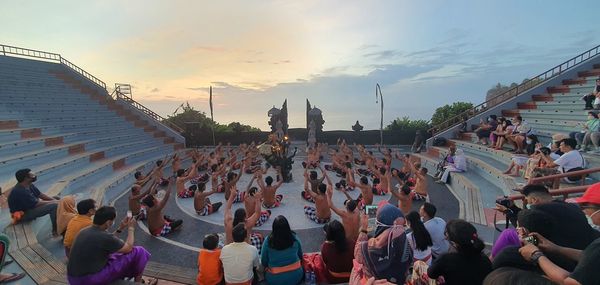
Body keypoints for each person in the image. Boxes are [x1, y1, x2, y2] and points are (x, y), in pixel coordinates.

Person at [66, 206, 152, 285]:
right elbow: (129, 248)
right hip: (90, 280)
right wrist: (131, 228)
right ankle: (138, 281)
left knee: (115, 254)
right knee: (139, 251)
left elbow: (109, 242)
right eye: (113, 220)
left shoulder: (84, 231)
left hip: (73, 279)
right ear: (107, 222)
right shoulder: (103, 236)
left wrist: (120, 228)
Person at [349, 204, 412, 284]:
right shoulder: (406, 243)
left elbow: (358, 254)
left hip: (376, 281)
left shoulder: (365, 248)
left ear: (379, 224)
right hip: (400, 280)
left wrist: (363, 229)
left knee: (356, 268)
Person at [428, 219, 492, 285]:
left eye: (447, 237)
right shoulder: (485, 260)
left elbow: (431, 274)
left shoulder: (445, 259)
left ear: (455, 244)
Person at [8, 169, 59, 236]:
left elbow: (40, 195)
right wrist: (55, 202)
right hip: (23, 215)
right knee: (54, 206)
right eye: (31, 175)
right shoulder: (20, 191)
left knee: (57, 198)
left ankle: (61, 221)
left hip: (30, 207)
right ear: (25, 178)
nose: (33, 176)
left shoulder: (28, 184)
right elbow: (36, 204)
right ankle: (55, 231)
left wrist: (55, 200)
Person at [261, 216, 304, 285]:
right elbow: (300, 255)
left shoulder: (268, 241)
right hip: (296, 276)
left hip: (274, 279)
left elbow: (264, 261)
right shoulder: (294, 238)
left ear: (274, 228)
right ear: (287, 227)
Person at [224, 188, 265, 252]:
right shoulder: (248, 224)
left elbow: (228, 208)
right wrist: (257, 199)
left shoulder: (228, 222)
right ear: (245, 218)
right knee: (260, 237)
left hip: (229, 250)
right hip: (244, 250)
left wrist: (232, 196)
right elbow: (257, 213)